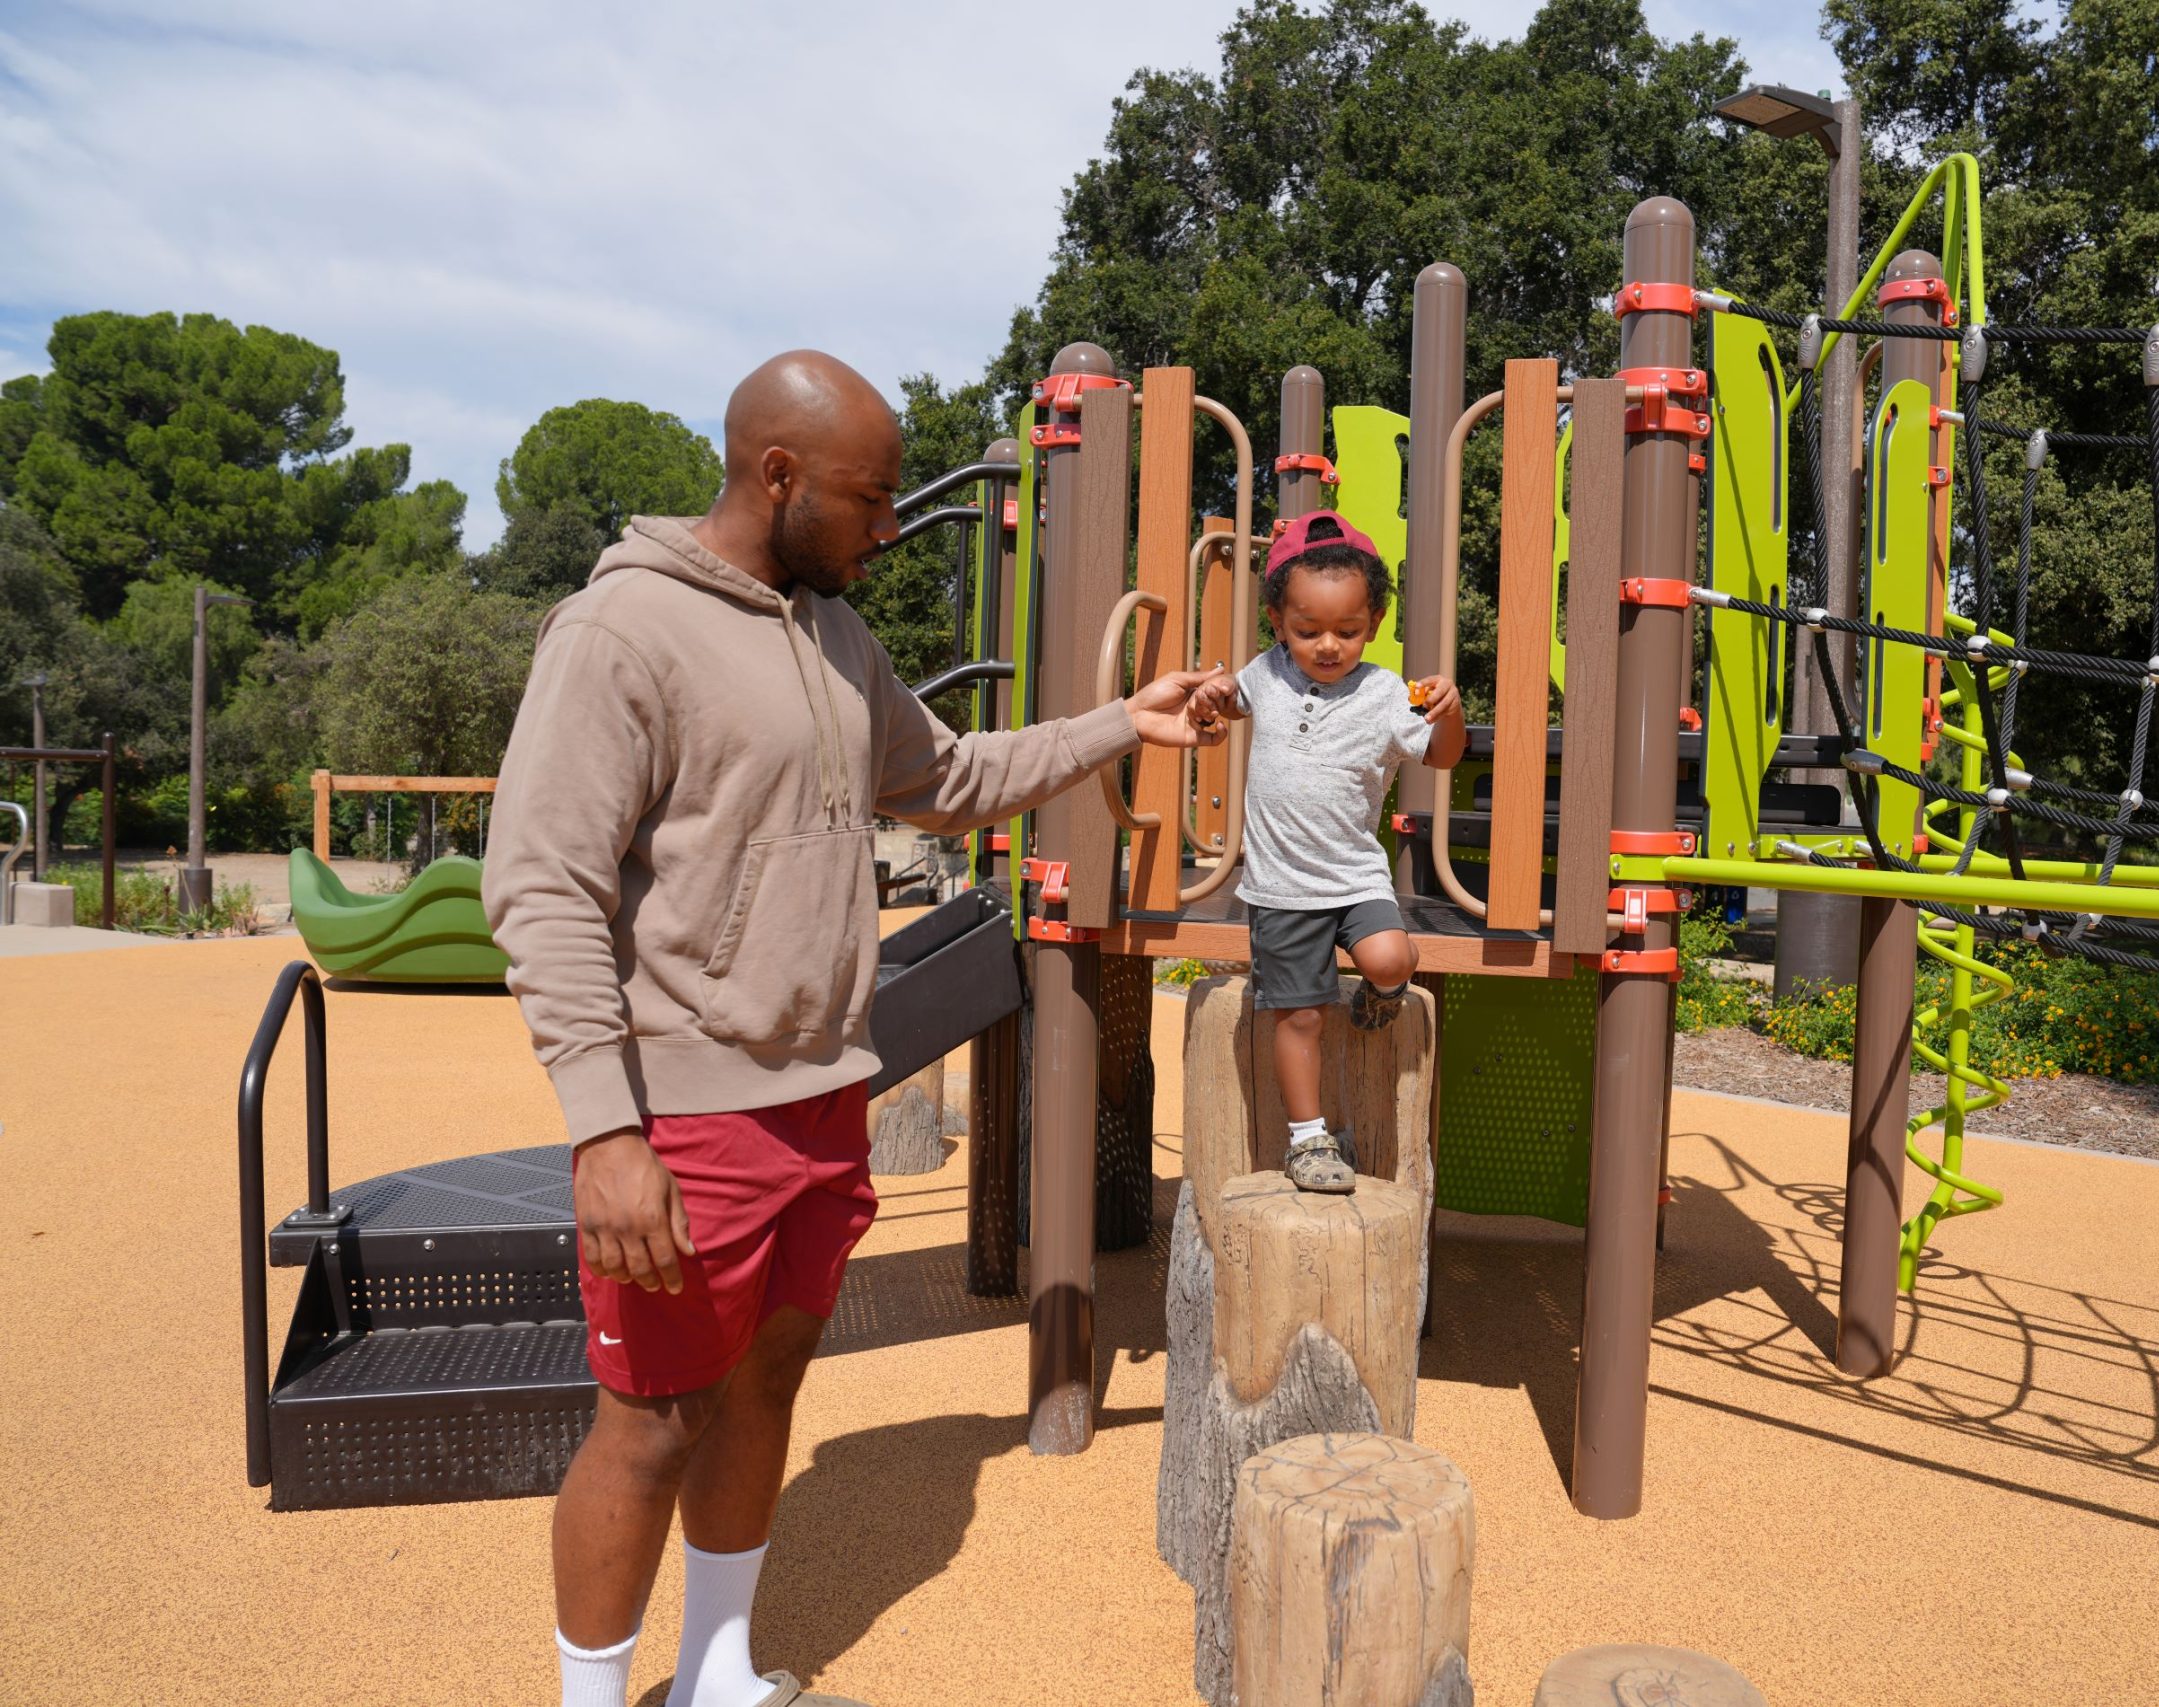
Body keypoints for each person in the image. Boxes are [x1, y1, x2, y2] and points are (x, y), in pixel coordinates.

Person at [484, 350, 1220, 1707]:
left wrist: (1126, 720)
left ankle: (715, 1669)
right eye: (869, 498)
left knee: (768, 1377)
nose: (890, 525)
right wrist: (603, 1128)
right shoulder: (621, 632)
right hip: (684, 1108)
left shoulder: (831, 634)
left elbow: (945, 776)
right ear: (777, 474)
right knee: (650, 1421)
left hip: (823, 1089)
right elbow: (541, 884)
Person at [1183, 510, 1464, 1193]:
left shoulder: (1385, 693)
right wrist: (1212, 698)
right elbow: (1227, 704)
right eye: (1309, 630)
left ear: (1374, 620)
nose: (1329, 644)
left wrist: (1449, 709)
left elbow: (1445, 754)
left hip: (1354, 875)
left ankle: (1380, 996)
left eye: (1348, 629)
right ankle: (1308, 1140)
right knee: (1300, 1013)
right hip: (1281, 885)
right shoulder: (1267, 672)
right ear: (1279, 621)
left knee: (1394, 957)